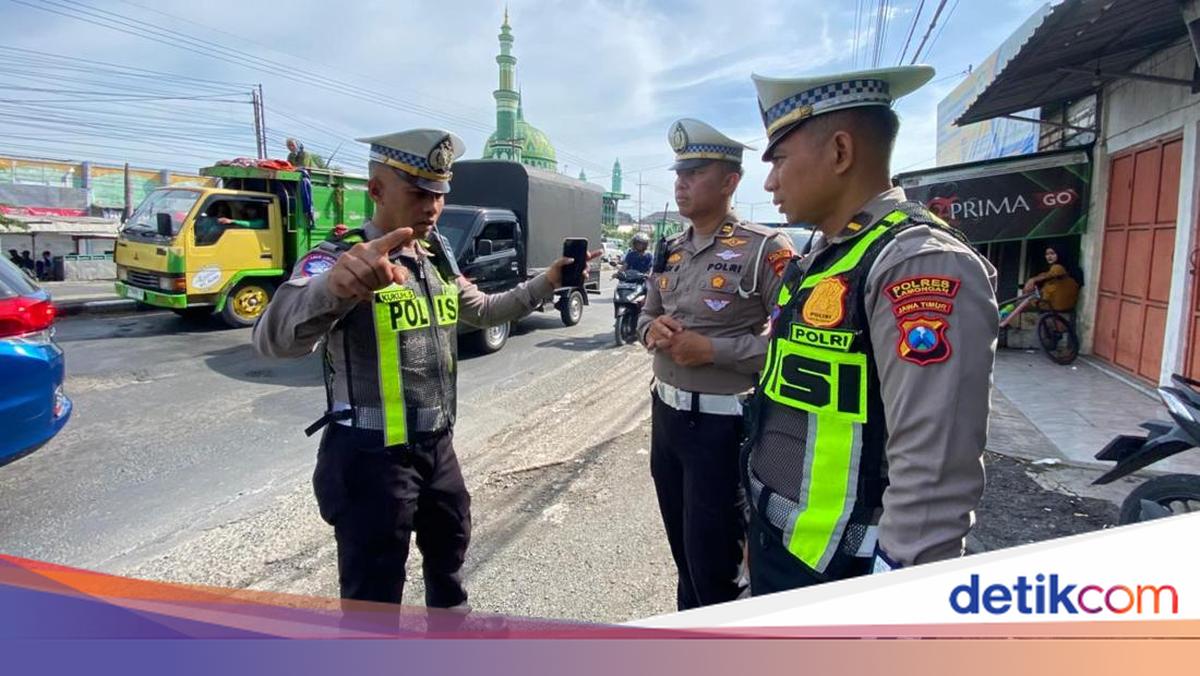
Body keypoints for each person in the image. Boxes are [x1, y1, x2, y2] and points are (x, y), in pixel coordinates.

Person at [253, 129, 594, 617]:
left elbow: (482, 309)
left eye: (439, 193)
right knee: (373, 600)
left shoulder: (435, 255)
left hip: (436, 447)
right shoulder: (341, 256)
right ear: (377, 190)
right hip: (371, 458)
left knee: (450, 559)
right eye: (418, 193)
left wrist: (548, 282)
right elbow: (272, 339)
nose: (433, 206)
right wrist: (333, 288)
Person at [742, 66, 998, 594]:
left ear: (840, 152)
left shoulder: (917, 264)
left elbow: (932, 471)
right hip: (782, 549)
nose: (769, 182)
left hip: (847, 575)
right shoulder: (823, 258)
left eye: (779, 160)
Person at [637, 118, 795, 610]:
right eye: (678, 173)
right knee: (684, 557)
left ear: (730, 182)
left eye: (695, 173)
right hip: (666, 418)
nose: (681, 184)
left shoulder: (766, 249)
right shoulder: (671, 248)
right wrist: (651, 331)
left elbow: (795, 346)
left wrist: (714, 352)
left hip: (723, 429)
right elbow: (646, 314)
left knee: (717, 567)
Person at [1022, 246, 1079, 312]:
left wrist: (1032, 280)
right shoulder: (1053, 270)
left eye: (1052, 253)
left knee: (1017, 306)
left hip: (1053, 306)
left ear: (1059, 254)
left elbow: (1052, 273)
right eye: (1047, 254)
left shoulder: (1059, 267)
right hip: (1053, 306)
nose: (1049, 256)